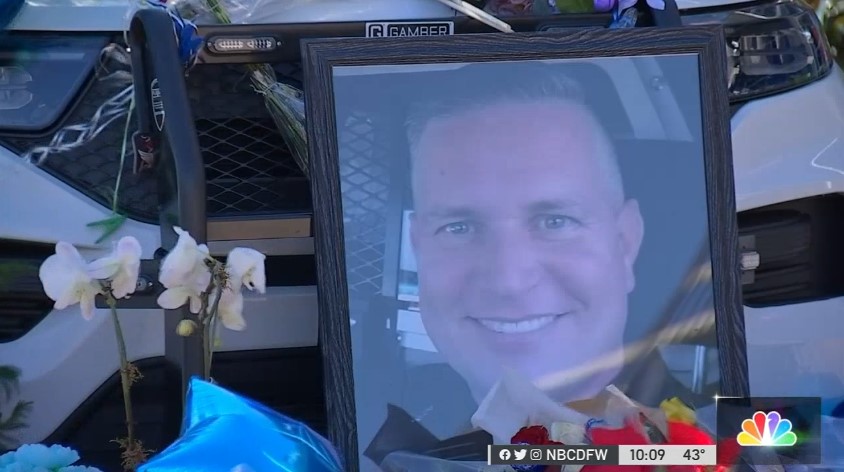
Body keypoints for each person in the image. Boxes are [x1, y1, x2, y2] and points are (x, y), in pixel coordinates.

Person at [362, 68, 712, 468]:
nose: (509, 280)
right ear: (419, 250)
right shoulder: (362, 426)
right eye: (459, 227)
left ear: (625, 243)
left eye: (555, 222)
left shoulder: (722, 444)